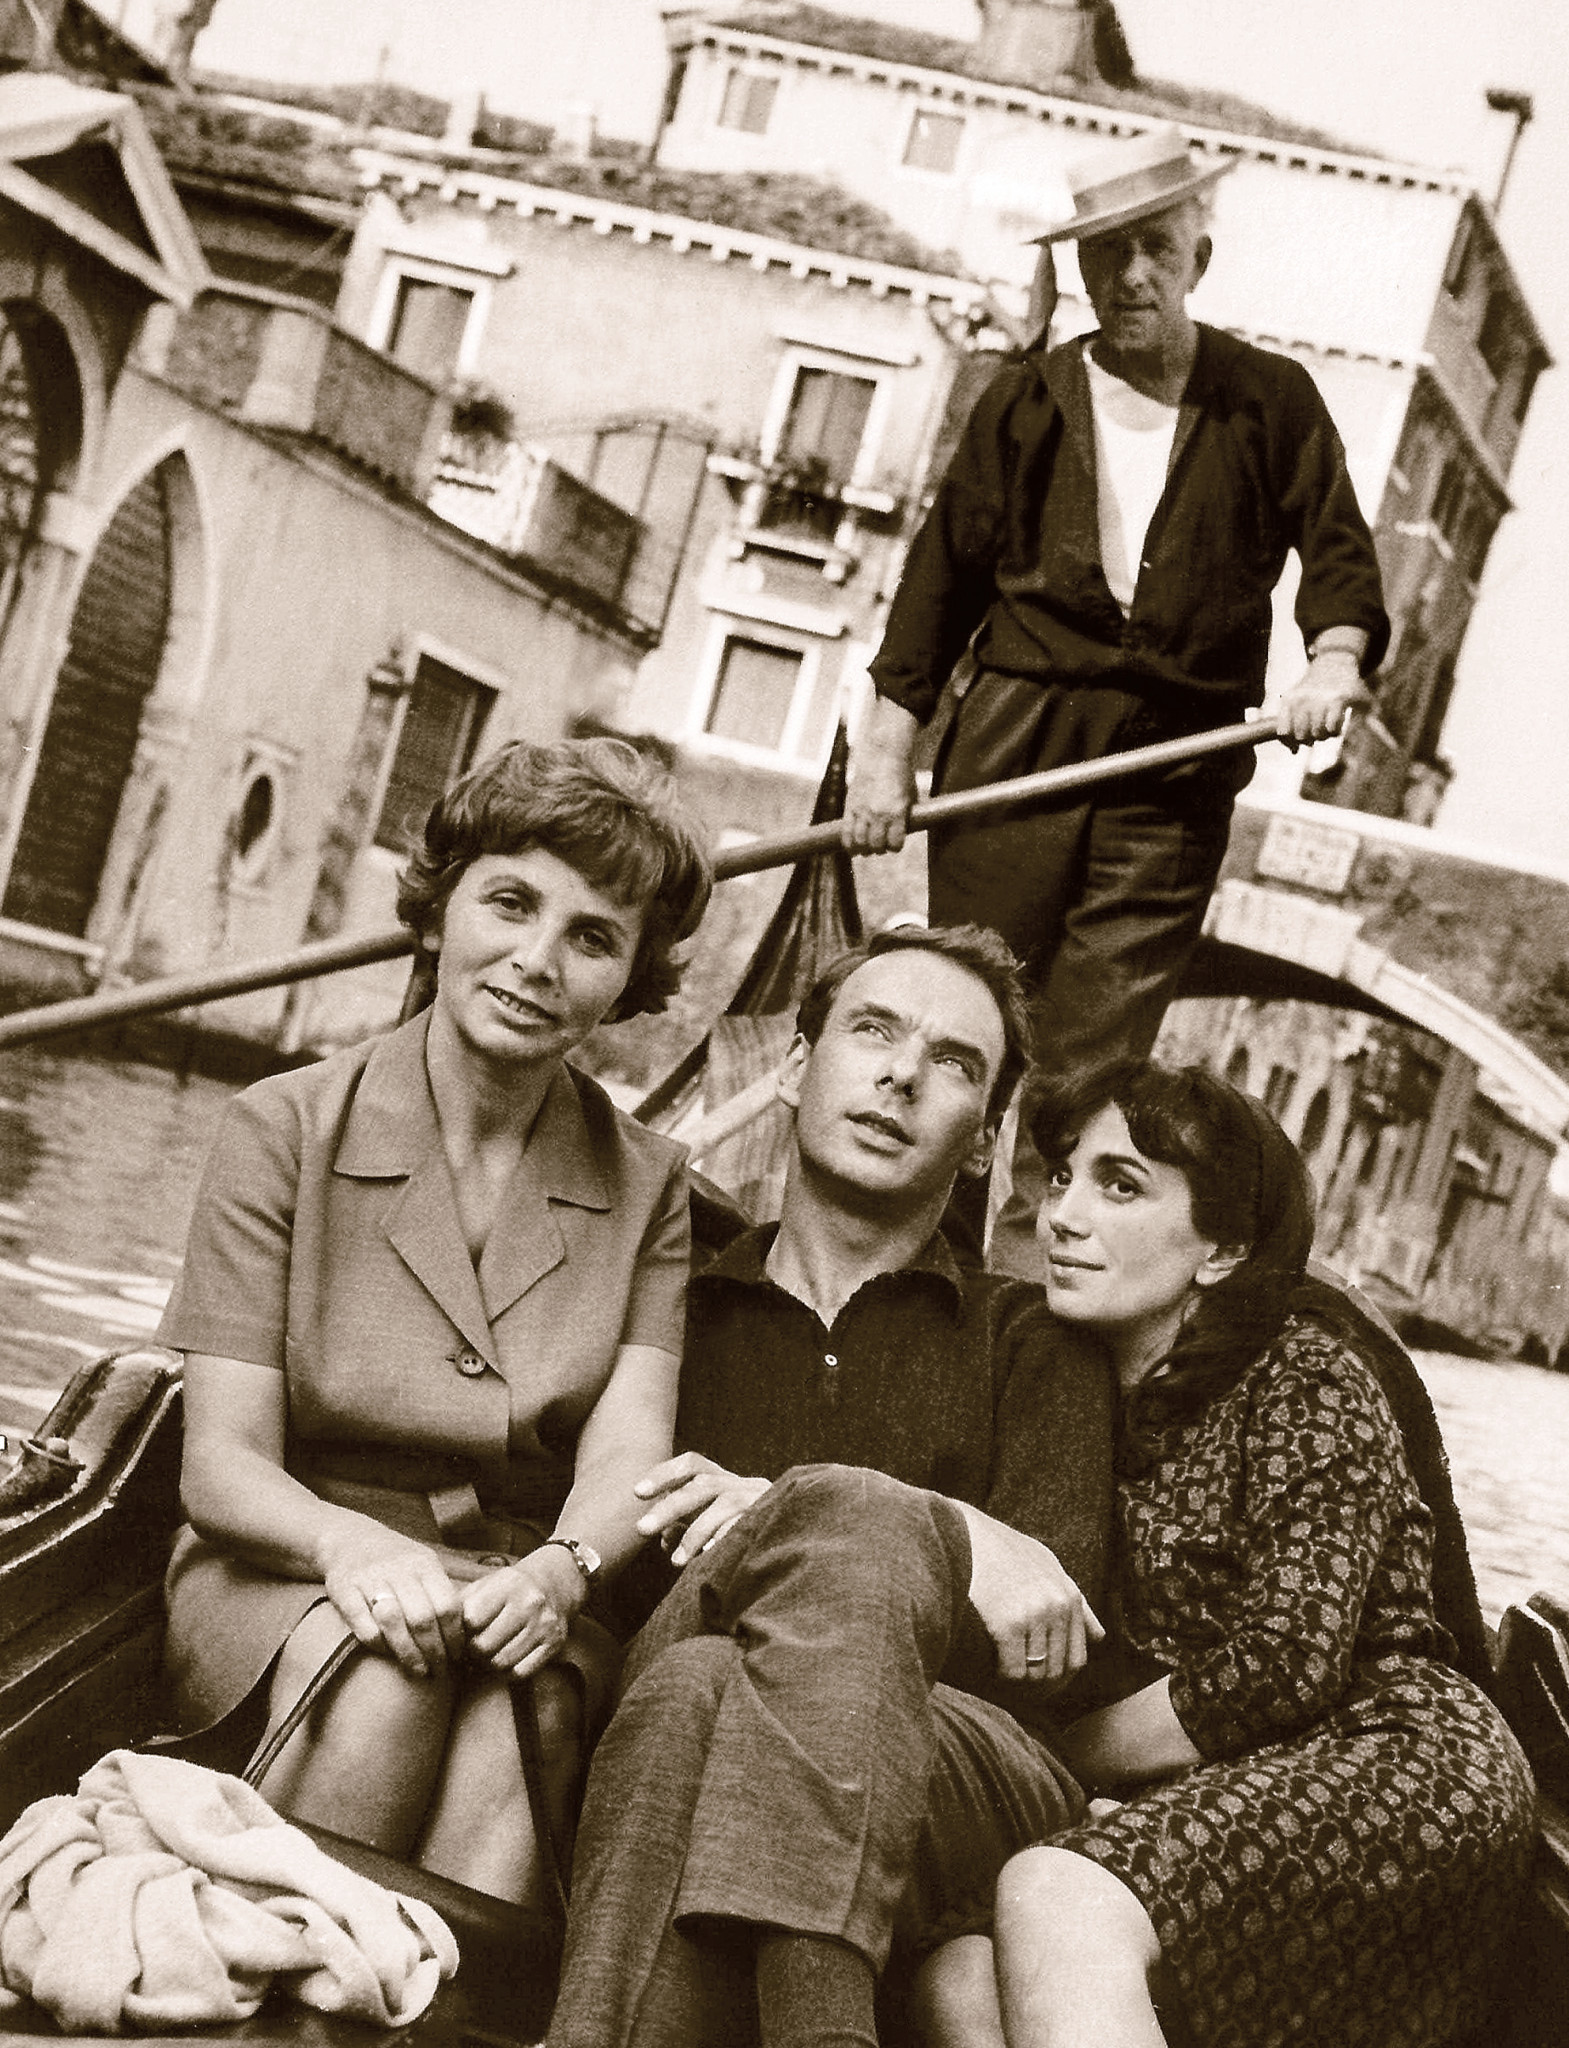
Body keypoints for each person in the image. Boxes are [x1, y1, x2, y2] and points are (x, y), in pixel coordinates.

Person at [155, 737, 712, 1907]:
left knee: (532, 1708)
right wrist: (349, 1548)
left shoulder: (652, 1182)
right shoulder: (279, 1127)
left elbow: (629, 1451)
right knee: (390, 1673)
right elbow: (222, 1465)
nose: (536, 960)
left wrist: (563, 1571)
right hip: (284, 1563)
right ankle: (284, 1969)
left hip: (520, 1581)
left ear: (629, 979)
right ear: (441, 907)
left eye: (592, 936)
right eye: (510, 902)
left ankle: (417, 1994)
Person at [547, 924, 1118, 2048]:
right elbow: (615, 1589)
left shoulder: (1033, 1340)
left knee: (727, 1669)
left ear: (981, 1143)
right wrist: (909, 1527)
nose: (902, 1075)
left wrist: (792, 1511)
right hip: (674, 1694)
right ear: (796, 1068)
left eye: (953, 1062)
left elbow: (1046, 1639)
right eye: (873, 1031)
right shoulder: (675, 1317)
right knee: (700, 1678)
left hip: (964, 1768)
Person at [844, 125, 1390, 1271]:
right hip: (1016, 753)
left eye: (1155, 249)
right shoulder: (1024, 401)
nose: (1131, 276)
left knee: (1088, 1064)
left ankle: (1017, 1300)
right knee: (971, 1026)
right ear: (1080, 266)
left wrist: (1333, 660)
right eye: (1106, 253)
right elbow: (939, 581)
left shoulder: (1272, 402)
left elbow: (1338, 552)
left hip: (1174, 777)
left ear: (1200, 257)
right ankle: (911, 1275)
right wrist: (886, 756)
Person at [913, 1060, 1536, 2048]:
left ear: (1224, 1247)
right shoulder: (1065, 1382)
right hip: (1229, 1786)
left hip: (1396, 1757)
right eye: (1064, 1178)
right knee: (956, 1981)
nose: (1063, 1216)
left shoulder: (1304, 1368)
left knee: (1055, 1892)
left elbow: (1285, 1664)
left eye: (1121, 1186)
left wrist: (1056, 1764)